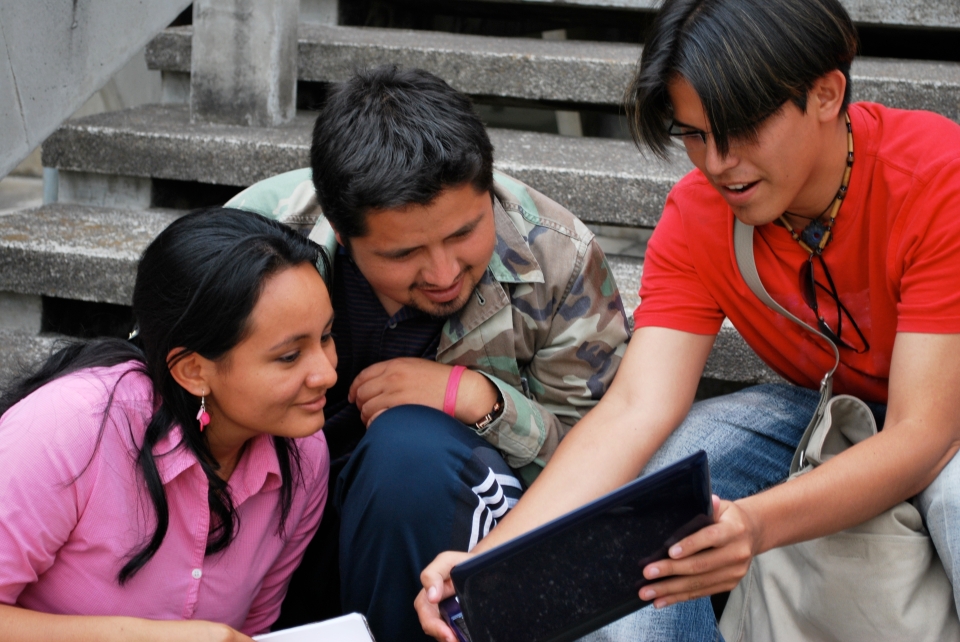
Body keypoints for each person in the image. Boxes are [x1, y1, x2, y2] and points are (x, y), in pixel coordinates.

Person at [416, 0, 960, 639]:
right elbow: (634, 410)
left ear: (826, 93)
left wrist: (753, 526)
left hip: (936, 417)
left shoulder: (933, 176)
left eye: (743, 128)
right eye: (695, 134)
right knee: (655, 510)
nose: (719, 162)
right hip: (827, 407)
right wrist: (490, 565)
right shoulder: (700, 215)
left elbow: (923, 436)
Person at [225, 65, 631, 640]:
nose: (443, 273)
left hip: (446, 532)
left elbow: (603, 464)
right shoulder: (256, 240)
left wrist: (481, 401)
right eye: (404, 253)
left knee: (408, 453)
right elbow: (168, 400)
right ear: (342, 230)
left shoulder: (556, 258)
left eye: (465, 233)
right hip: (272, 526)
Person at [0, 208, 338, 641]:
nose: (326, 373)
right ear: (193, 370)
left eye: (326, 336)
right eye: (289, 356)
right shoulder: (70, 426)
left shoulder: (304, 456)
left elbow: (255, 629)